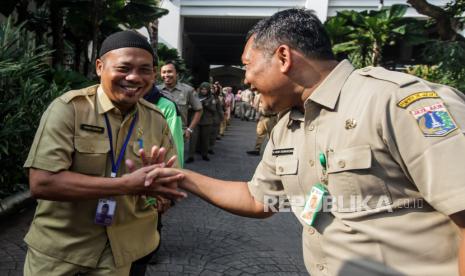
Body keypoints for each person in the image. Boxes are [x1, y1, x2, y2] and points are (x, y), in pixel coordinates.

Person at [154, 9, 465, 276]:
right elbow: (259, 199)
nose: (245, 78)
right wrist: (180, 177)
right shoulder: (288, 125)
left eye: (248, 65)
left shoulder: (394, 102)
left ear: (284, 57)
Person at [22, 30, 186, 276]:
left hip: (121, 254)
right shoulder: (69, 110)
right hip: (61, 252)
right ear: (100, 67)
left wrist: (162, 196)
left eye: (145, 70)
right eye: (124, 68)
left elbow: (168, 179)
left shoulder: (157, 119)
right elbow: (43, 183)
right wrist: (125, 185)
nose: (134, 77)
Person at [158, 61, 202, 142]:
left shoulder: (188, 90)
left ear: (177, 74)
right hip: (158, 133)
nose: (166, 75)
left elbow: (199, 110)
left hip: (179, 134)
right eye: (163, 72)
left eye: (170, 72)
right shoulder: (156, 90)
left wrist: (189, 129)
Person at [186, 82, 217, 163]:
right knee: (193, 139)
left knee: (205, 139)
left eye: (205, 89)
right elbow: (189, 107)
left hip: (206, 121)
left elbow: (214, 110)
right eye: (202, 89)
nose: (203, 91)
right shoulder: (195, 97)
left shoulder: (211, 98)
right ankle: (191, 156)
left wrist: (206, 105)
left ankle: (204, 154)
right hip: (195, 121)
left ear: (208, 90)